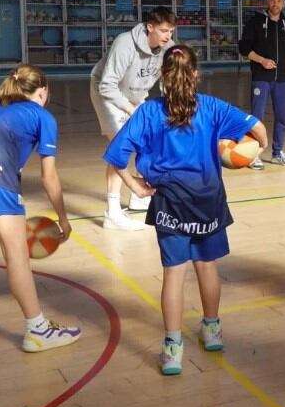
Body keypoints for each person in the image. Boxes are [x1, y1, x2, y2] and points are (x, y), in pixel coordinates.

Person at [104, 45, 269, 375]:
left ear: (163, 76)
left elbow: (115, 155)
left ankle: (172, 348)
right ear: (196, 75)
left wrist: (135, 186)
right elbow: (259, 129)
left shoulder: (149, 112)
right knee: (207, 268)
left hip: (169, 203)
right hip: (208, 201)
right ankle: (211, 331)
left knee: (174, 275)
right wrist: (256, 151)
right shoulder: (212, 108)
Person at [0, 65, 81, 352]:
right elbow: (49, 178)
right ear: (42, 91)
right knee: (16, 255)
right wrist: (63, 219)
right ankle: (38, 330)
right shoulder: (42, 115)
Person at [91, 6, 175, 230]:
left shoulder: (169, 48)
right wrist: (131, 110)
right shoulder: (125, 43)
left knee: (148, 142)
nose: (168, 36)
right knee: (121, 147)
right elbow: (106, 86)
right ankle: (112, 213)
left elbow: (168, 82)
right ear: (150, 27)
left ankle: (139, 198)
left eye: (171, 32)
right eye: (164, 31)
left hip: (136, 96)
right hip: (107, 93)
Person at [239, 0, 285, 170]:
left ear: (284, 3)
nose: (275, 4)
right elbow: (244, 48)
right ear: (268, 1)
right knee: (257, 118)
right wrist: (262, 61)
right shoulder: (255, 22)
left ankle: (277, 152)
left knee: (281, 116)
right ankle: (253, 155)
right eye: (272, 0)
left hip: (282, 78)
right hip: (261, 77)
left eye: (279, 1)